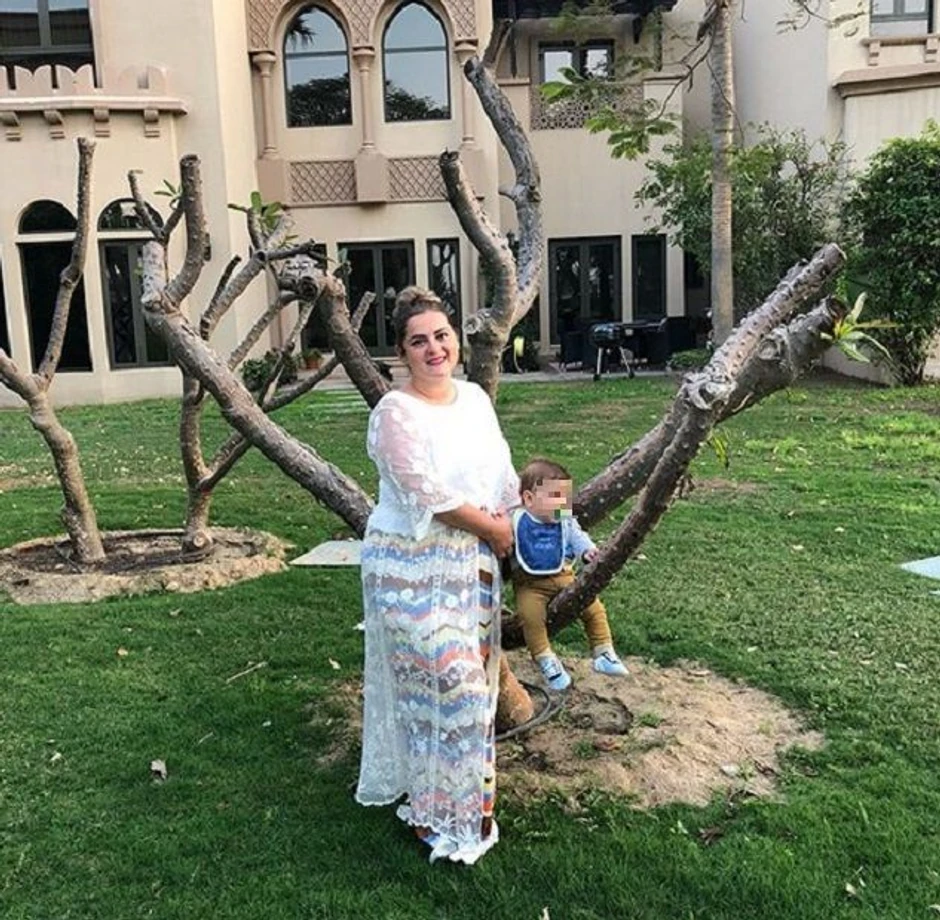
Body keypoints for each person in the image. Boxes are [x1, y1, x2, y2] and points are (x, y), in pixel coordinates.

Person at [355, 286, 519, 865]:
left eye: (442, 336)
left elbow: (502, 472)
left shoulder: (474, 399)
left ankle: (462, 808)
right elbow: (426, 494)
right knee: (448, 686)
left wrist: (520, 520)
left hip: (470, 565)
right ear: (402, 353)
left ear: (456, 341)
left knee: (474, 692)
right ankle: (434, 808)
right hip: (409, 567)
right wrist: (494, 530)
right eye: (419, 341)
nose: (434, 349)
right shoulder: (394, 413)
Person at [510, 458, 629, 692]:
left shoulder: (564, 522)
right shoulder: (517, 522)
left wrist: (587, 551)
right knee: (530, 618)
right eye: (555, 497)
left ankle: (603, 651)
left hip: (565, 578)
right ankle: (546, 660)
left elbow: (578, 537)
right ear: (529, 499)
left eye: (565, 497)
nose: (562, 504)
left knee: (593, 608)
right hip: (530, 586)